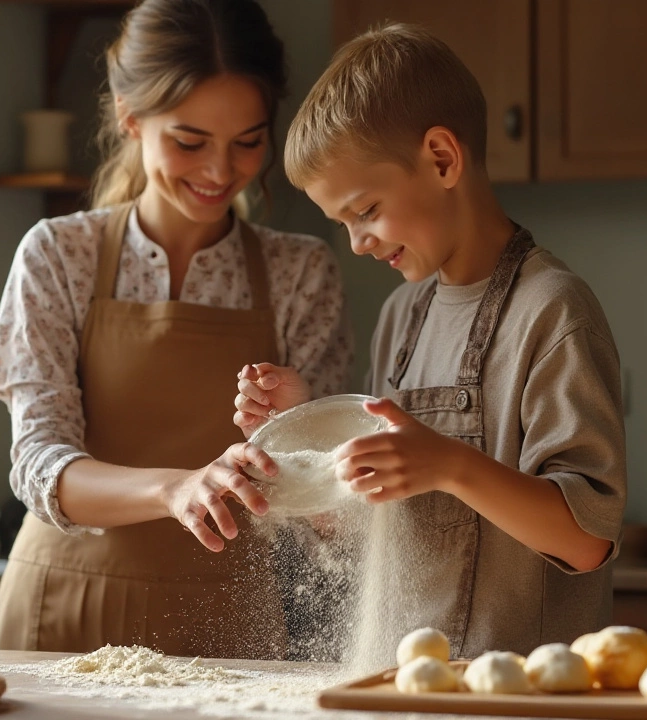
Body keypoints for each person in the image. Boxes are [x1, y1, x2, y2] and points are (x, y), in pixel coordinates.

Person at [235, 24, 626, 665]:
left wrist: (449, 463)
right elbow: (377, 526)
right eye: (344, 224)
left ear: (442, 158)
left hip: (523, 695)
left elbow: (586, 539)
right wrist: (308, 440)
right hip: (405, 681)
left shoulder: (552, 312)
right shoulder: (401, 318)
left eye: (365, 211)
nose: (357, 242)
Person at [0, 0, 351, 659]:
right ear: (130, 117)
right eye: (189, 141)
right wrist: (176, 487)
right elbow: (39, 464)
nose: (219, 172)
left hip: (226, 622)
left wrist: (302, 432)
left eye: (247, 142)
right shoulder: (57, 255)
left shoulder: (301, 272)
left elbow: (332, 514)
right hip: (61, 611)